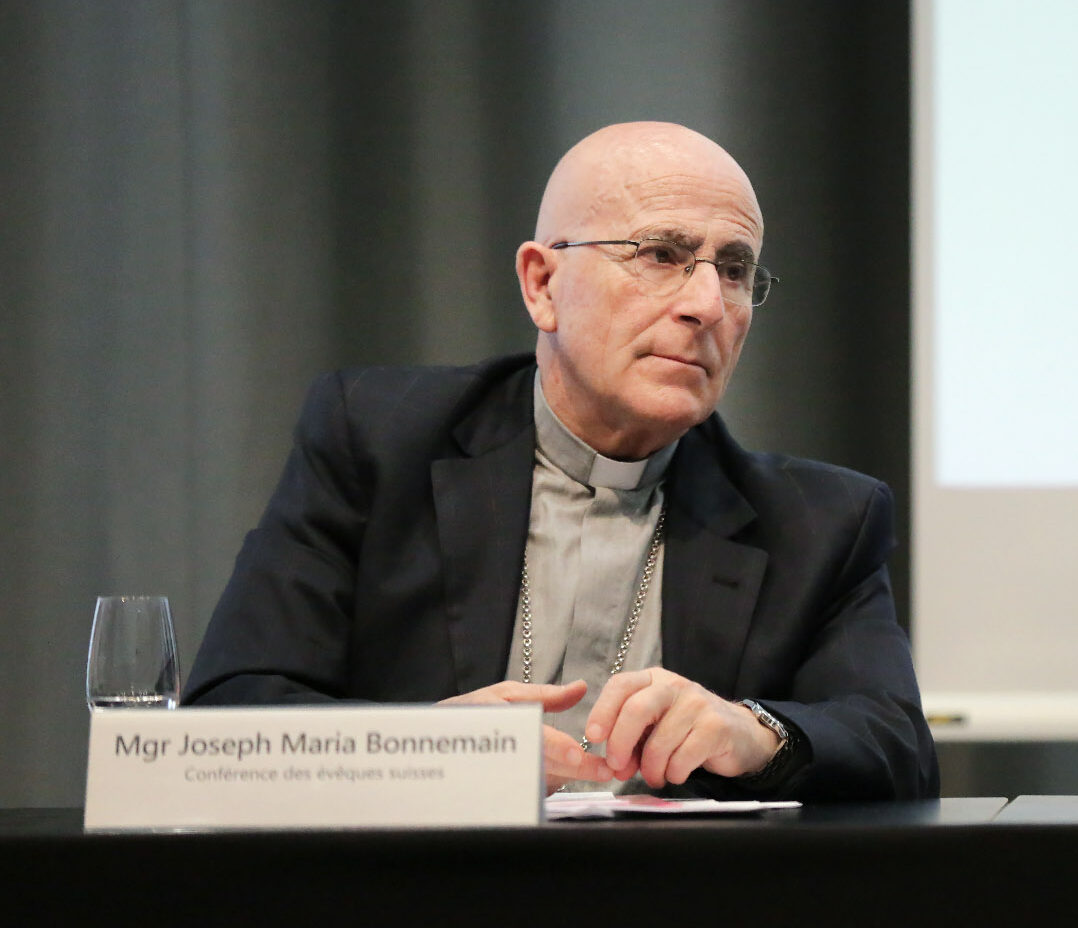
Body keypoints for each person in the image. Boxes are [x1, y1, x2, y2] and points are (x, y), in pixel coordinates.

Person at [186, 122, 939, 801]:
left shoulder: (820, 524)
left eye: (734, 268)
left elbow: (896, 745)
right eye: (663, 255)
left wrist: (758, 733)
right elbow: (226, 714)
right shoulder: (378, 443)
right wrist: (424, 745)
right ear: (542, 285)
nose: (707, 303)